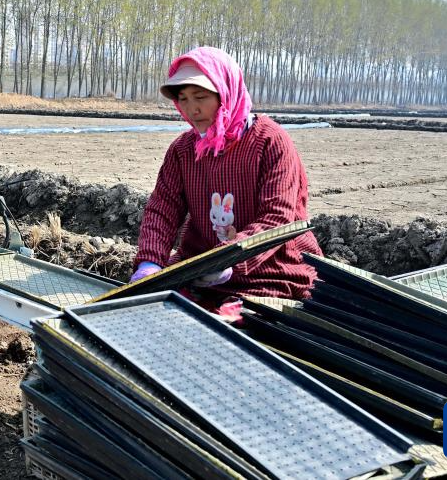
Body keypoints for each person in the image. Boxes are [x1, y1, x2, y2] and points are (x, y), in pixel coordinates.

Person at [130, 46, 323, 318]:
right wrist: (150, 262)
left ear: (226, 93)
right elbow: (163, 209)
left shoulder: (270, 141)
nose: (192, 109)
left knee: (237, 319)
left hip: (270, 270)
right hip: (201, 269)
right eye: (183, 99)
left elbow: (277, 217)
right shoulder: (183, 150)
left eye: (200, 97)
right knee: (154, 304)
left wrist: (227, 260)